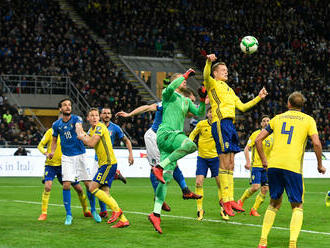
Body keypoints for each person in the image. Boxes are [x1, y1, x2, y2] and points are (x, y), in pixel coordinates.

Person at [255, 92, 326, 248]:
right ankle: (292, 243)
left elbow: (258, 139)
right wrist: (320, 164)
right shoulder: (308, 120)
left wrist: (264, 160)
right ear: (302, 106)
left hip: (274, 166)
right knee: (297, 205)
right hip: (292, 167)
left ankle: (263, 241)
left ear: (288, 104)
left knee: (274, 203)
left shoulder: (277, 118)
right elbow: (316, 143)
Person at [116, 88, 201, 212]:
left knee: (173, 164)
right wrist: (129, 114)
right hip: (154, 137)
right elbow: (147, 107)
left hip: (167, 137)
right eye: (191, 100)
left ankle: (185, 190)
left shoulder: (181, 104)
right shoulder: (166, 103)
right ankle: (159, 197)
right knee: (157, 167)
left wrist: (205, 103)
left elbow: (192, 113)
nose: (191, 103)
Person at [203, 54, 268, 216]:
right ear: (215, 73)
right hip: (220, 123)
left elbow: (243, 107)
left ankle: (231, 199)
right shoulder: (212, 84)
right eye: (223, 70)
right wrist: (208, 62)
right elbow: (205, 74)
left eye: (227, 70)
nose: (226, 72)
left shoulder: (230, 90)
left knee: (231, 163)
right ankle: (225, 200)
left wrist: (258, 98)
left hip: (230, 125)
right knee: (224, 162)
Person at [149, 68, 206, 234]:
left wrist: (202, 99)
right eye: (182, 80)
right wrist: (185, 74)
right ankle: (160, 166)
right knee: (191, 145)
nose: (185, 81)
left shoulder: (186, 101)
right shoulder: (169, 95)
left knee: (165, 180)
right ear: (175, 82)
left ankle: (156, 213)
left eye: (185, 80)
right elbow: (169, 88)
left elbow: (200, 113)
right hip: (167, 133)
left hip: (169, 141)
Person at [48, 98, 99, 225]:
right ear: (60, 109)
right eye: (65, 105)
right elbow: (54, 140)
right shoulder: (56, 125)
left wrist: (80, 133)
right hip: (67, 157)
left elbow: (78, 128)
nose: (67, 107)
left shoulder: (77, 119)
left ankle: (93, 210)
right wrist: (52, 151)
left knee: (88, 184)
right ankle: (69, 215)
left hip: (80, 155)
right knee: (66, 184)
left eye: (69, 105)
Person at [78, 108, 129, 228]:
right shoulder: (92, 129)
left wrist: (81, 135)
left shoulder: (100, 127)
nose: (95, 117)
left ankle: (117, 211)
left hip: (108, 163)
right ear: (88, 118)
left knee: (92, 188)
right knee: (105, 192)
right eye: (92, 115)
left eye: (96, 115)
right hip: (104, 164)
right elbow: (87, 139)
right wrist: (81, 133)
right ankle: (123, 220)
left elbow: (90, 143)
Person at [37, 126, 92, 221]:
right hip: (51, 165)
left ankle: (86, 210)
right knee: (48, 187)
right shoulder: (50, 132)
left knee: (79, 189)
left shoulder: (68, 132)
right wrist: (46, 153)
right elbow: (40, 146)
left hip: (65, 165)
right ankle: (44, 213)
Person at [92, 107, 134, 218]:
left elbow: (127, 140)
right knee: (99, 188)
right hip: (97, 161)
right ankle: (104, 210)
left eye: (108, 113)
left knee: (101, 188)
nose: (106, 115)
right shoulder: (96, 127)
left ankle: (106, 211)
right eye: (104, 113)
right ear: (100, 115)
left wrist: (130, 154)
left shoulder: (115, 128)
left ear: (111, 115)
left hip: (108, 161)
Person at [189, 107, 229, 221]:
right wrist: (189, 142)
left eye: (214, 112)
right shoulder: (201, 124)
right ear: (207, 114)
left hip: (215, 159)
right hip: (202, 158)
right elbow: (192, 134)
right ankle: (200, 210)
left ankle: (223, 209)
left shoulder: (219, 126)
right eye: (210, 112)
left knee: (220, 183)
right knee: (198, 182)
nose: (212, 114)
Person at [237, 115, 273, 217]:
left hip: (267, 167)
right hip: (256, 165)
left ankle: (254, 209)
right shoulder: (256, 134)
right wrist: (248, 162)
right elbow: (246, 149)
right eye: (264, 121)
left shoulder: (273, 136)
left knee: (265, 189)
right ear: (261, 124)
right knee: (255, 187)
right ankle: (241, 201)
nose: (266, 122)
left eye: (268, 121)